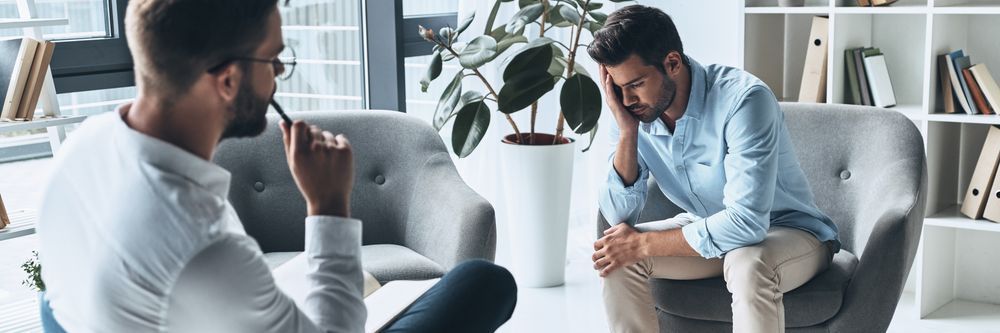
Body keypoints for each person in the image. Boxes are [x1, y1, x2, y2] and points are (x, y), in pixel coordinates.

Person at [37, 0, 515, 332]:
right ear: (227, 80)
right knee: (484, 283)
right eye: (274, 61)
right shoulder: (200, 246)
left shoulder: (80, 149)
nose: (279, 76)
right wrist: (329, 207)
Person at [588, 5, 841, 333]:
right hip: (706, 226)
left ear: (672, 63)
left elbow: (748, 224)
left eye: (635, 84)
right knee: (616, 257)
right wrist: (627, 133)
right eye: (617, 88)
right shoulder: (633, 112)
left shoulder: (744, 101)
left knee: (748, 263)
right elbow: (618, 214)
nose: (626, 100)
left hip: (790, 232)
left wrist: (645, 244)